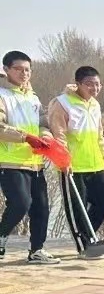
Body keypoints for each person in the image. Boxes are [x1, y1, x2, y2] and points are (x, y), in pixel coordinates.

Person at [0, 51, 60, 264]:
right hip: (10, 161)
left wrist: (45, 136)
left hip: (35, 162)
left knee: (41, 207)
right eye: (18, 69)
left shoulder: (33, 98)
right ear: (6, 69)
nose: (24, 73)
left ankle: (37, 250)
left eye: (27, 70)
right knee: (20, 203)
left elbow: (43, 123)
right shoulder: (2, 95)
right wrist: (25, 137)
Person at [49, 65, 104, 259]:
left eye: (98, 84)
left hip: (96, 164)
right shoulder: (62, 103)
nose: (94, 88)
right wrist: (63, 159)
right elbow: (58, 136)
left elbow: (99, 135)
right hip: (72, 166)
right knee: (77, 208)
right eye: (89, 84)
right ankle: (84, 246)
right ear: (78, 84)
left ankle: (88, 238)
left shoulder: (95, 105)